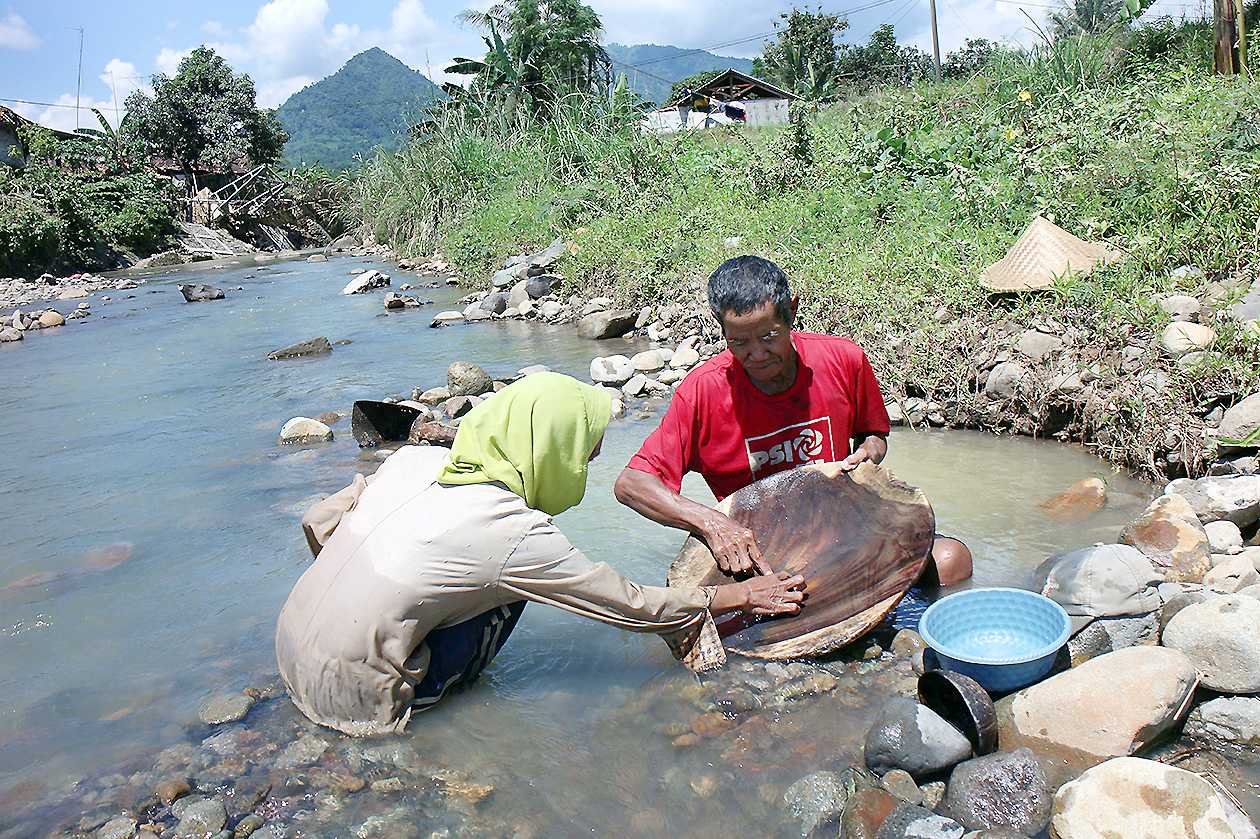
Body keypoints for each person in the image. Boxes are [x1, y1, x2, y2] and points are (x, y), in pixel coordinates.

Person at [275, 372, 805, 736]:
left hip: (290, 652)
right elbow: (625, 604)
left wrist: (356, 605)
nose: (586, 464)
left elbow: (316, 521)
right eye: (583, 453)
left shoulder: (412, 461)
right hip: (357, 703)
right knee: (514, 592)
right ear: (548, 449)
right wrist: (736, 594)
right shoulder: (512, 533)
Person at [614, 255, 972, 588]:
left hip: (842, 525)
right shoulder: (702, 393)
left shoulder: (843, 360)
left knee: (951, 560)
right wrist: (712, 523)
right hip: (764, 547)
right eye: (739, 342)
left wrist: (868, 455)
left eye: (769, 336)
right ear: (721, 330)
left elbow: (874, 434)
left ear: (792, 312)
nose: (756, 354)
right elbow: (632, 484)